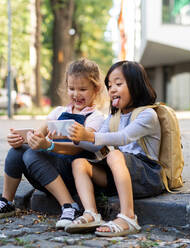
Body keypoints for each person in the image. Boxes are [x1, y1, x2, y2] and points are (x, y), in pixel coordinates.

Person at [0, 58, 106, 229]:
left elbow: (84, 147)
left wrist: (48, 146)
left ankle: (70, 206)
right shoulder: (58, 112)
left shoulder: (95, 117)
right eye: (71, 89)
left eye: (82, 89)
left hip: (73, 175)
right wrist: (21, 139)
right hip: (47, 174)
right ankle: (7, 201)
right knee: (18, 151)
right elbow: (37, 135)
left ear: (96, 89)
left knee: (32, 153)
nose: (76, 94)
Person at [65, 61, 164, 237]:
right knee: (79, 163)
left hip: (148, 177)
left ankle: (128, 217)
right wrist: (74, 137)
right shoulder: (114, 117)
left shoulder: (147, 114)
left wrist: (89, 135)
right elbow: (96, 143)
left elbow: (123, 137)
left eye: (118, 84)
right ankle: (91, 213)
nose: (112, 90)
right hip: (120, 174)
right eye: (110, 85)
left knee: (115, 155)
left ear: (136, 85)